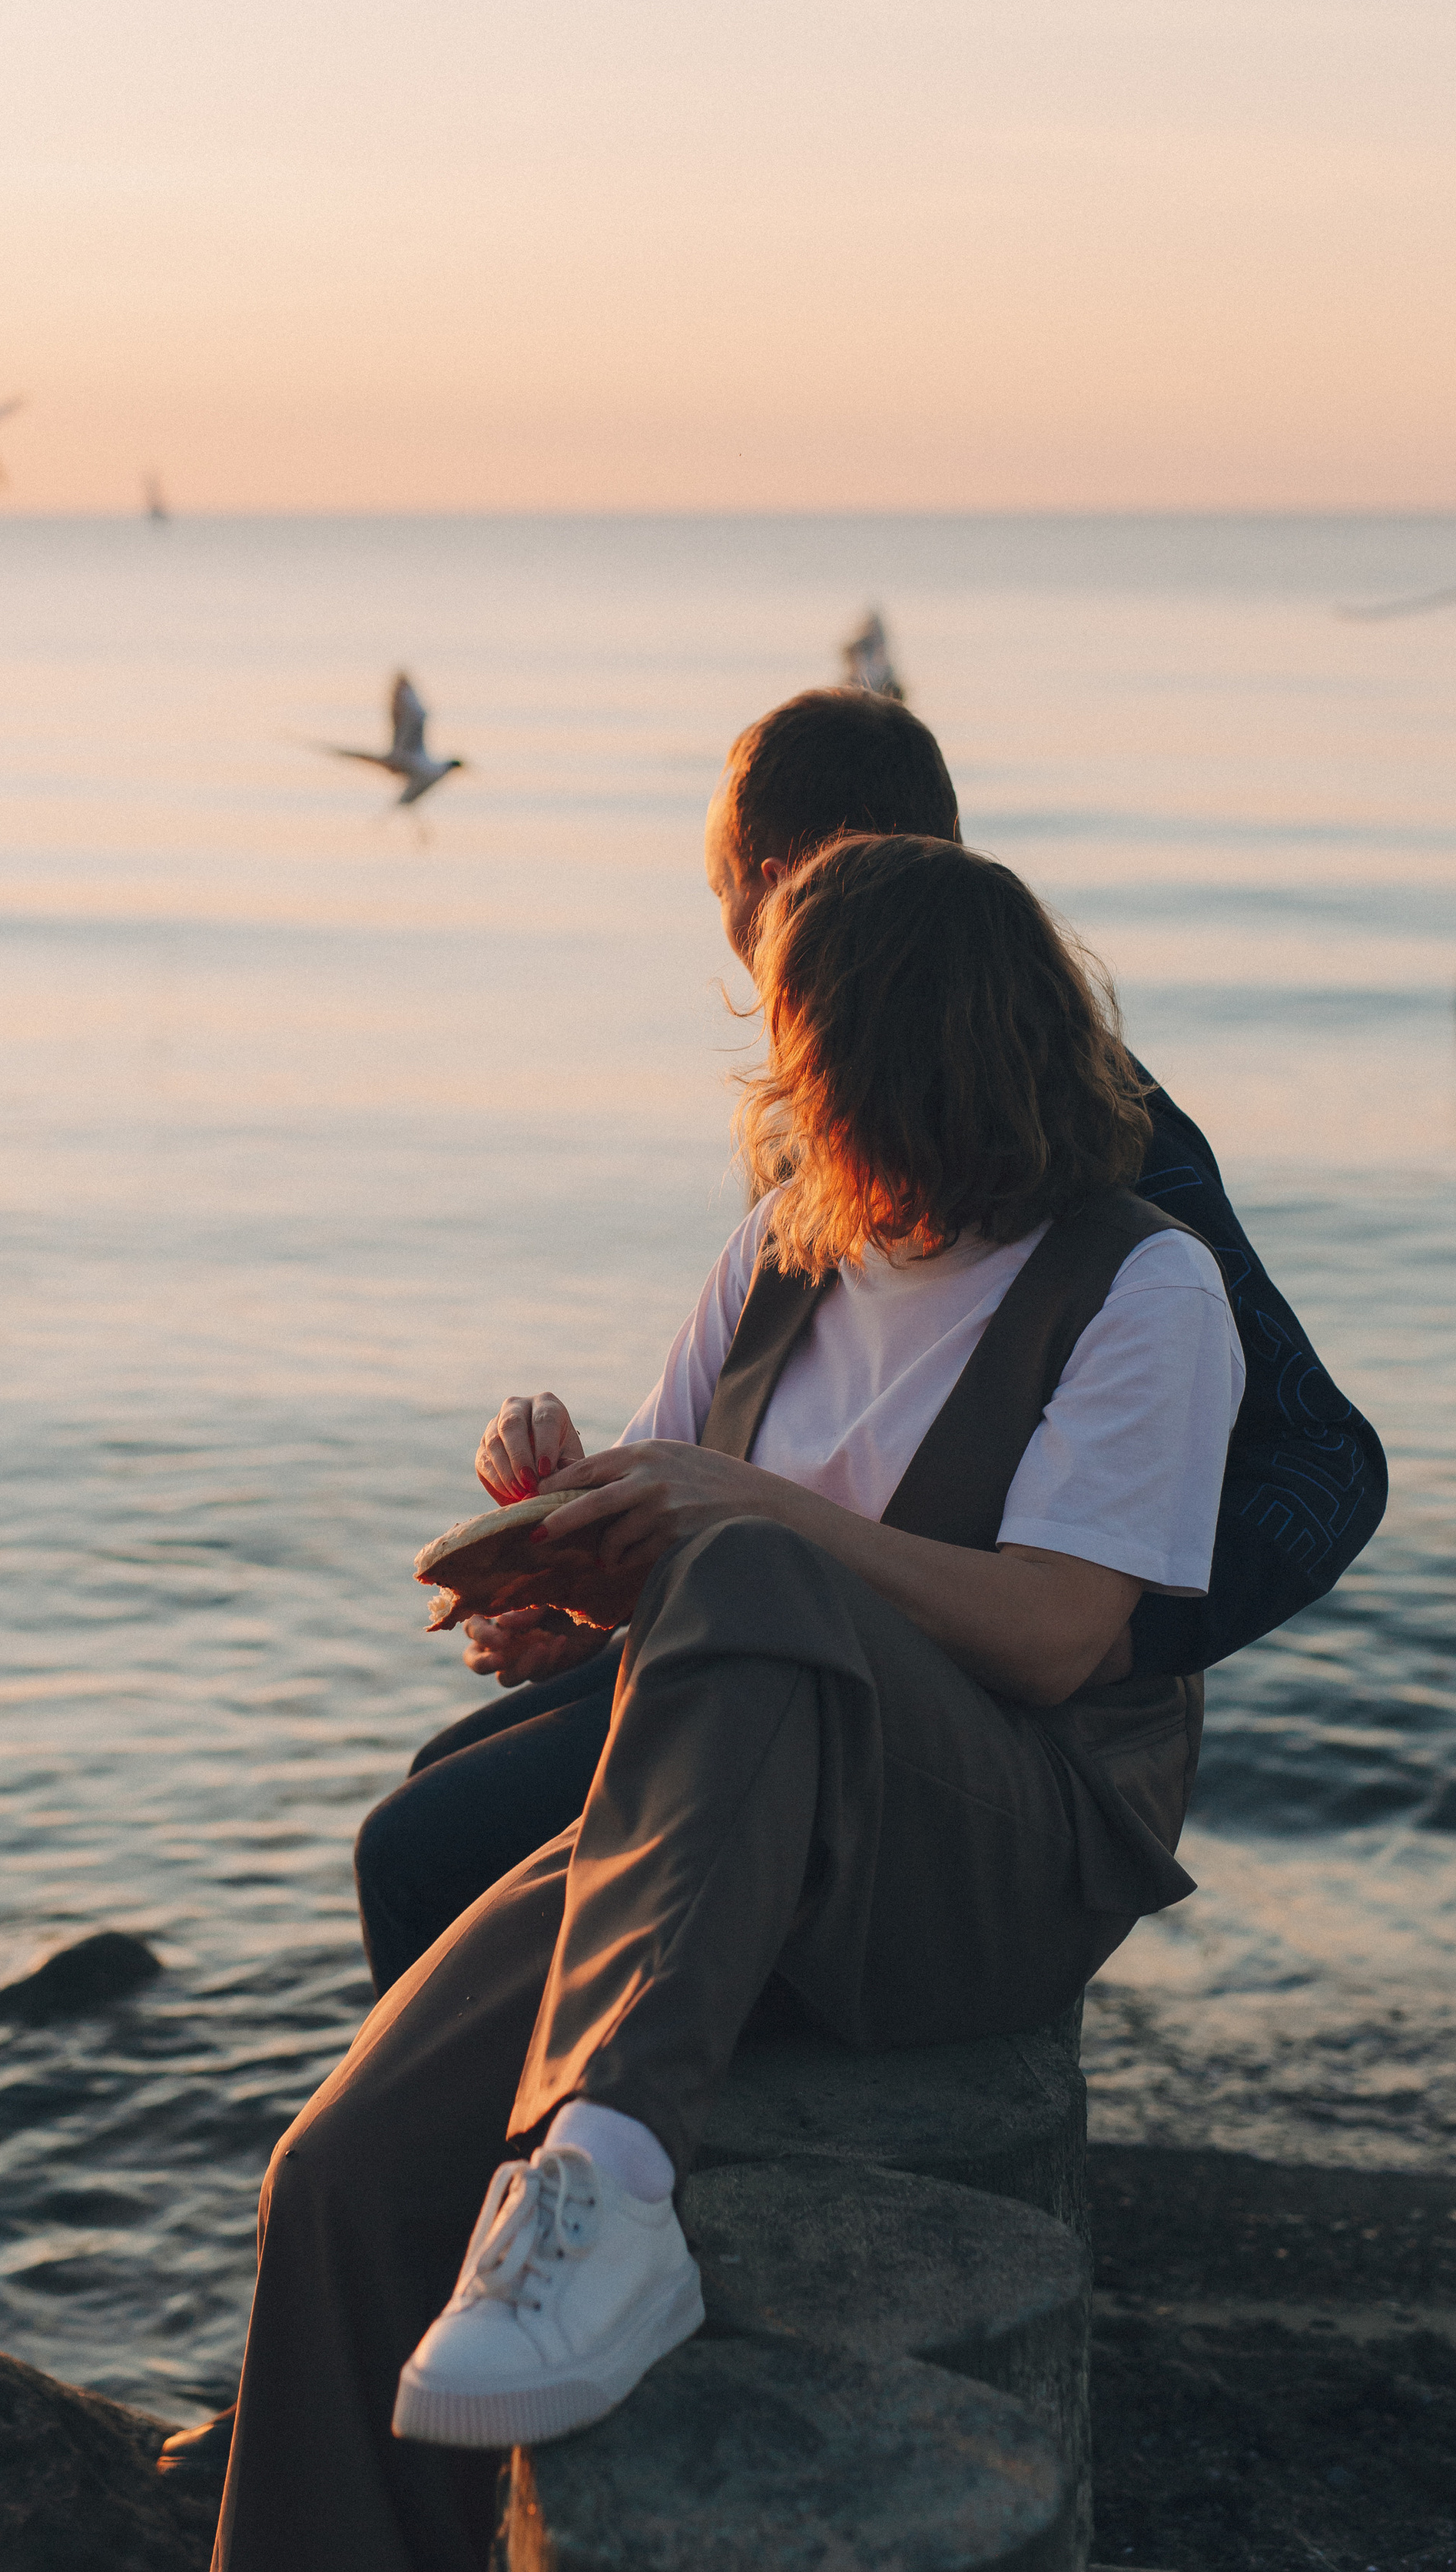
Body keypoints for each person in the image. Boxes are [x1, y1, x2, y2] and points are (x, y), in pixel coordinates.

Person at [195, 828, 1256, 2572]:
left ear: (898, 1059)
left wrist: (736, 1523)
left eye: (796, 1051)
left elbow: (1055, 1635)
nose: (772, 1090)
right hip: (726, 1811)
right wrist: (563, 1578)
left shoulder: (1136, 1288)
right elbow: (685, 1584)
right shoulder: (782, 1255)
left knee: (760, 1573)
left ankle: (603, 2185)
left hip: (995, 1847)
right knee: (343, 2175)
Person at [343, 690, 1387, 1998]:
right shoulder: (820, 1158)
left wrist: (1099, 1637)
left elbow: (1326, 1459)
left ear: (785, 892)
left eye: (732, 906)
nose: (743, 978)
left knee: (437, 1843)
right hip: (792, 1648)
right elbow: (774, 1445)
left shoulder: (1098, 1164)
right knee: (448, 1784)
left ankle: (567, 2148)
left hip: (963, 1726)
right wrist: (579, 1574)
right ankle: (533, 2146)